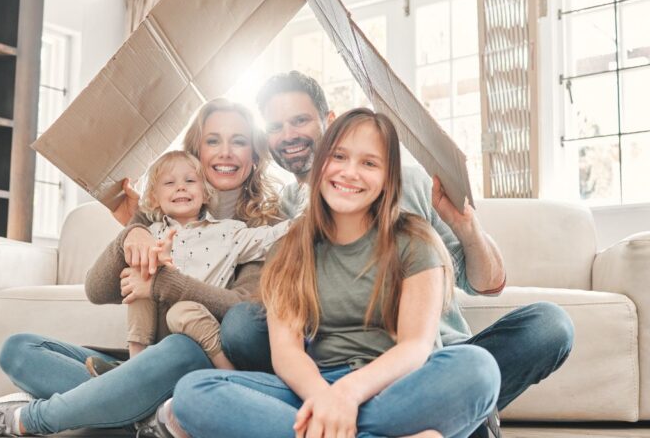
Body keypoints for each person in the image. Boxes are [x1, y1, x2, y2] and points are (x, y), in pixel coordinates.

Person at [220, 71, 574, 437]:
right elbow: (217, 231)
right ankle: (445, 421)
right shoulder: (285, 212)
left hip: (427, 358)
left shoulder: (408, 182)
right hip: (332, 368)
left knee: (548, 327)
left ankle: (435, 410)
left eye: (300, 120)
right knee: (240, 326)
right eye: (276, 126)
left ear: (330, 121)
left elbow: (488, 283)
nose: (289, 134)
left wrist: (468, 227)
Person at [0, 99, 284, 437]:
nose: (225, 152)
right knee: (19, 350)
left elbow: (243, 309)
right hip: (144, 363)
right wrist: (133, 232)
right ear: (196, 151)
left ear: (253, 157)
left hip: (197, 358)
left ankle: (25, 419)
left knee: (180, 345)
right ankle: (147, 413)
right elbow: (98, 290)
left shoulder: (263, 229)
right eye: (213, 140)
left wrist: (162, 284)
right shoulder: (161, 212)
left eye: (238, 141)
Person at [171, 108, 501, 438]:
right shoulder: (291, 247)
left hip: (392, 388)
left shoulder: (414, 241)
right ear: (321, 163)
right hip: (313, 387)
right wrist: (325, 398)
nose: (349, 173)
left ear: (389, 177)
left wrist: (347, 396)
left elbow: (415, 346)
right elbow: (287, 352)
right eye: (339, 156)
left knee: (479, 369)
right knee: (194, 393)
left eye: (369, 163)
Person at [105, 150, 289, 369]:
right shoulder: (149, 233)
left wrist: (311, 218)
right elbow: (120, 268)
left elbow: (271, 238)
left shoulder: (228, 232)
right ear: (154, 197)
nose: (180, 187)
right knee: (138, 281)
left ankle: (226, 371)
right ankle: (134, 365)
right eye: (169, 183)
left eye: (190, 181)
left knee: (181, 311)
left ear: (205, 192)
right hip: (160, 327)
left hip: (202, 321)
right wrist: (152, 260)